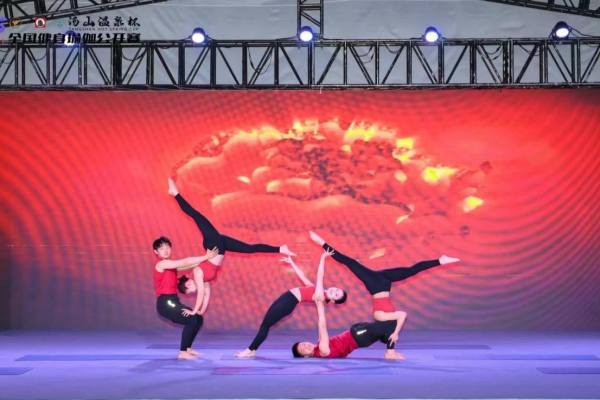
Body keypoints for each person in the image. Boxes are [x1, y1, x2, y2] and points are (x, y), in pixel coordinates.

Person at [168, 177, 296, 317]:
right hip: (220, 245)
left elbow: (200, 295)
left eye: (190, 291)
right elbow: (206, 295)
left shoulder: (197, 274)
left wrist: (193, 311)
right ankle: (280, 249)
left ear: (188, 284)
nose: (193, 292)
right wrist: (200, 312)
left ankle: (175, 193)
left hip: (214, 245)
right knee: (250, 249)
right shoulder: (204, 280)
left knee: (196, 216)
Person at [309, 231, 460, 346]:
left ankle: (321, 242)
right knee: (411, 270)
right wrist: (393, 337)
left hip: (374, 284)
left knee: (349, 262)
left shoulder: (379, 316)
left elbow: (401, 316)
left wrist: (395, 334)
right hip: (385, 283)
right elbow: (400, 318)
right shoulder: (390, 319)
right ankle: (441, 260)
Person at [291, 252, 404, 360]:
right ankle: (389, 350)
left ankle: (389, 348)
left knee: (390, 324)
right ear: (305, 356)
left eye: (303, 344)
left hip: (358, 334)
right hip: (359, 336)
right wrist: (319, 305)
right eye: (303, 349)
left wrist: (292, 263)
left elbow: (309, 285)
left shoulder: (319, 345)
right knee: (391, 324)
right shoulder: (322, 349)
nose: (306, 346)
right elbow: (322, 325)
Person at [235, 248, 346, 358]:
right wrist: (291, 262)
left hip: (288, 303)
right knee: (265, 324)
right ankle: (253, 350)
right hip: (286, 298)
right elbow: (303, 277)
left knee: (265, 326)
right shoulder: (317, 289)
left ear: (333, 301)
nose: (334, 291)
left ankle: (249, 350)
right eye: (337, 290)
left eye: (336, 295)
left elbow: (320, 274)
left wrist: (323, 257)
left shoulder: (320, 296)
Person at [153, 236, 219, 360]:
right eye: (161, 248)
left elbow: (191, 264)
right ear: (156, 252)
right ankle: (183, 352)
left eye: (167, 247)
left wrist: (211, 260)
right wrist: (206, 256)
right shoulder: (161, 264)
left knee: (198, 318)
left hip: (173, 301)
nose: (165, 250)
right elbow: (185, 262)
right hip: (165, 303)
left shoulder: (171, 266)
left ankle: (188, 348)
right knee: (191, 319)